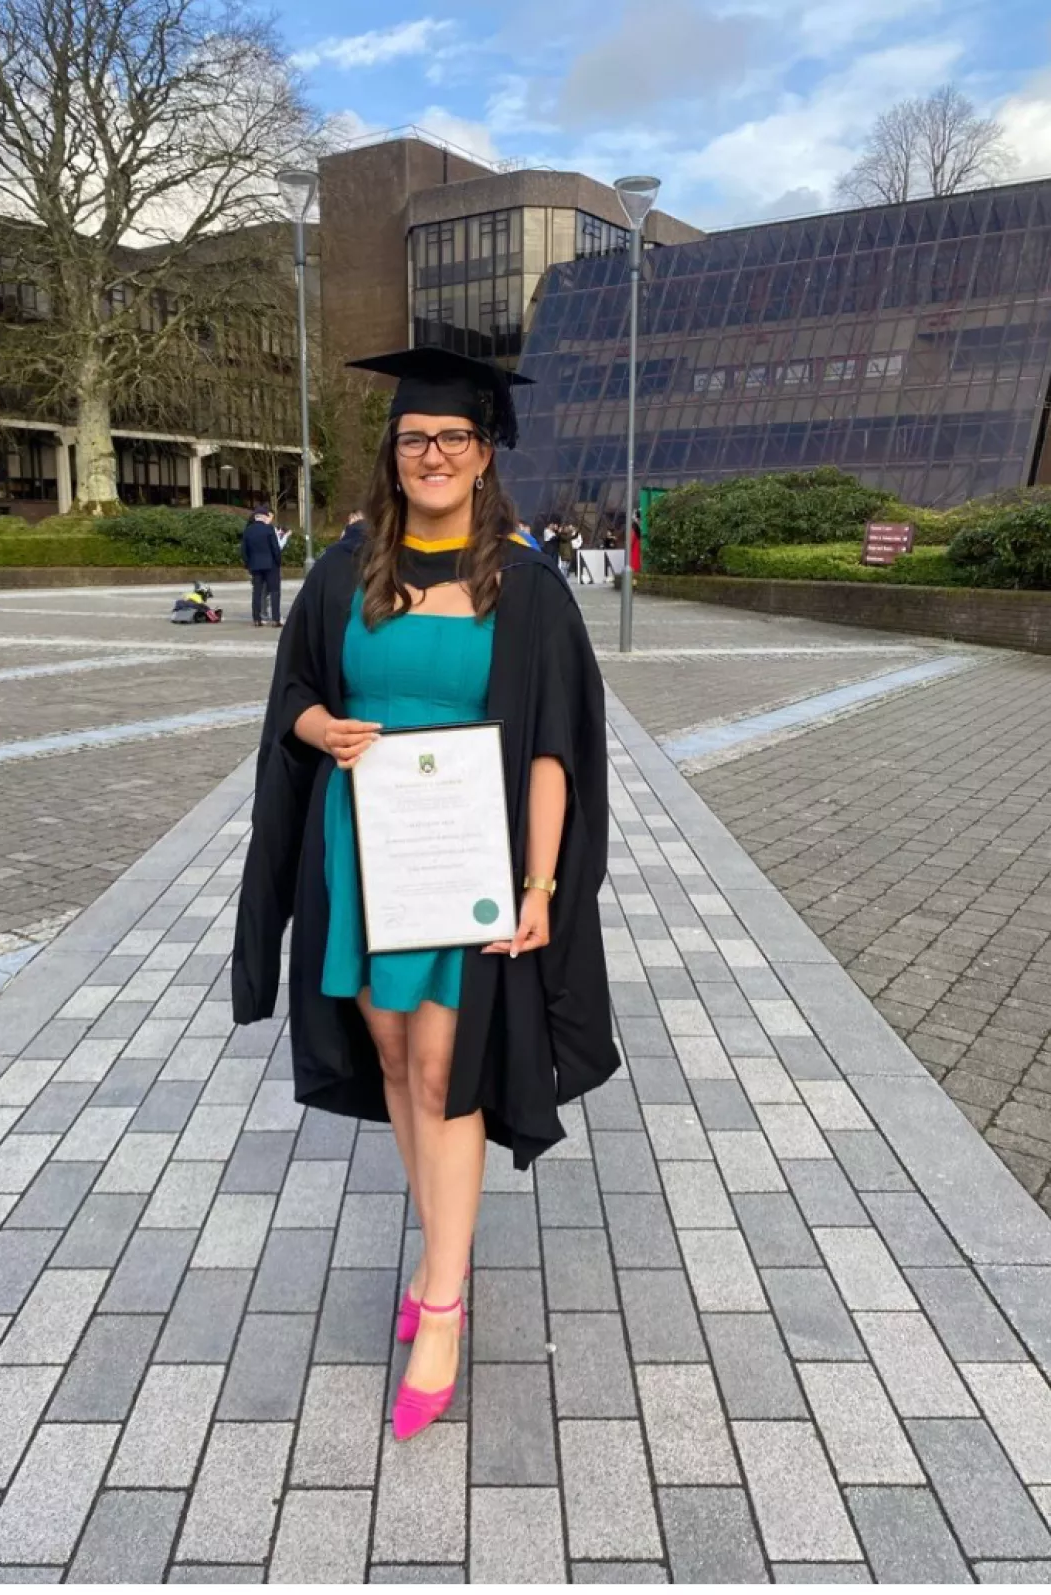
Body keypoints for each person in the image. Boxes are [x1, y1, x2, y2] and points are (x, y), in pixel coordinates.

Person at [233, 344, 619, 1444]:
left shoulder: (528, 584)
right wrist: (321, 727)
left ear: (484, 451)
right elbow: (296, 694)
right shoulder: (344, 569)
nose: (433, 453)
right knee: (396, 1056)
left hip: (466, 861)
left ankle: (441, 1301)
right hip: (360, 848)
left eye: (453, 437)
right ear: (393, 455)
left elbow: (552, 748)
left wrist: (541, 880)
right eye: (415, 439)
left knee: (448, 1067)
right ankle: (437, 1243)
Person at [241, 504, 283, 628]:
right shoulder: (269, 529)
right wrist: (278, 562)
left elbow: (244, 551)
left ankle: (256, 619)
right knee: (275, 592)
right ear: (264, 517)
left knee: (257, 592)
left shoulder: (248, 530)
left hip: (255, 566)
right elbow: (275, 548)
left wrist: (248, 564)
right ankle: (276, 619)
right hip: (271, 565)